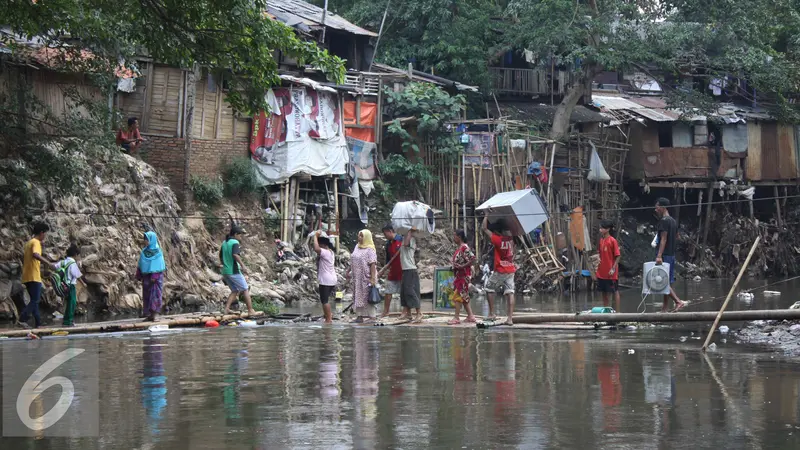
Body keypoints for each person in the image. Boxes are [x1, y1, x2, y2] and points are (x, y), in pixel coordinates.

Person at [482, 215, 516, 325]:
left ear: (499, 231)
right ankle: (510, 319)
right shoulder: (511, 239)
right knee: (510, 292)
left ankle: (492, 313)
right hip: (511, 269)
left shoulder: (498, 240)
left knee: (489, 289)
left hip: (500, 270)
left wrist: (486, 215)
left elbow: (484, 229)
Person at [19, 222, 55, 328]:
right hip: (33, 276)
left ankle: (38, 324)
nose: (45, 236)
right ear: (41, 233)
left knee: (34, 300)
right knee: (35, 300)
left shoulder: (28, 243)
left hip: (27, 275)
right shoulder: (36, 242)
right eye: (45, 234)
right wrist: (48, 263)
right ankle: (22, 319)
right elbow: (35, 255)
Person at [655, 198, 687, 312]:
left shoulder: (664, 221)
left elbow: (663, 239)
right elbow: (677, 236)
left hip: (665, 255)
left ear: (663, 207)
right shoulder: (673, 221)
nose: (656, 209)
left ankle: (678, 301)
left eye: (657, 207)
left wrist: (659, 255)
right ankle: (664, 308)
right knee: (667, 281)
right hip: (671, 254)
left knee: (662, 281)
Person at [221, 224, 256, 316]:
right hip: (233, 271)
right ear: (236, 234)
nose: (240, 237)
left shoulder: (224, 243)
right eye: (240, 235)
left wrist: (224, 263)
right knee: (245, 289)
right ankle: (250, 310)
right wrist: (243, 266)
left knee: (235, 290)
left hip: (225, 271)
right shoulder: (234, 242)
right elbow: (235, 255)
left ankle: (227, 309)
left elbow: (220, 256)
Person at [346, 229, 378, 322]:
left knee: (369, 296)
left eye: (361, 236)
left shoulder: (370, 250)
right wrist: (348, 271)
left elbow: (373, 264)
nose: (359, 237)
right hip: (357, 277)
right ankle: (359, 316)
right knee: (358, 295)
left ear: (366, 237)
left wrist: (372, 278)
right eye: (359, 235)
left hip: (366, 276)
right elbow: (352, 259)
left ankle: (372, 316)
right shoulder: (357, 247)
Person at [136, 230, 166, 321]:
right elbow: (141, 263)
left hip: (155, 279)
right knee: (147, 295)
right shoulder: (144, 252)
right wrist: (139, 273)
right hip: (146, 278)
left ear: (152, 240)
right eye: (144, 239)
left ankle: (155, 314)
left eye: (147, 239)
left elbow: (159, 265)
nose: (145, 241)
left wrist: (155, 275)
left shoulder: (157, 252)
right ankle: (148, 313)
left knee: (155, 295)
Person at [449, 230, 477, 325]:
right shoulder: (460, 248)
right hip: (459, 276)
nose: (454, 238)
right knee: (464, 296)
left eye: (455, 236)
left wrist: (462, 266)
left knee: (457, 296)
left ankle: (456, 318)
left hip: (463, 276)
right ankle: (471, 316)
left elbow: (473, 259)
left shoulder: (464, 247)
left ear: (459, 237)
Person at [55, 243, 86, 327]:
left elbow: (54, 267)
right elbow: (77, 275)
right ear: (75, 255)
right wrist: (83, 283)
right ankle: (68, 321)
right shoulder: (72, 263)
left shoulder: (62, 262)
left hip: (62, 285)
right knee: (71, 303)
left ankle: (66, 320)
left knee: (68, 302)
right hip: (70, 286)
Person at [594, 220, 621, 310]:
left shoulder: (612, 241)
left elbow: (618, 256)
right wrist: (598, 258)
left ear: (608, 229)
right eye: (600, 228)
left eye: (602, 228)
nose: (600, 230)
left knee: (615, 291)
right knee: (604, 292)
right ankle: (606, 311)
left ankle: (618, 312)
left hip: (611, 272)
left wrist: (613, 268)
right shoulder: (601, 240)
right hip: (602, 271)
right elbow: (599, 253)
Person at [313, 231, 337, 324]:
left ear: (323, 245)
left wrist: (315, 236)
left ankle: (328, 319)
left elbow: (316, 248)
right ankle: (328, 316)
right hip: (331, 279)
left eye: (320, 244)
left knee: (324, 300)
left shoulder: (326, 252)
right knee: (325, 299)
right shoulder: (330, 252)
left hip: (326, 280)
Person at [400, 229, 423, 323]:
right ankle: (408, 313)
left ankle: (419, 313)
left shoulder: (411, 240)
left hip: (410, 269)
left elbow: (406, 244)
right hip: (405, 269)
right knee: (404, 291)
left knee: (410, 291)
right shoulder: (404, 238)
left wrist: (409, 230)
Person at [380, 224, 403, 317]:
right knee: (388, 292)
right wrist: (384, 271)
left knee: (404, 293)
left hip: (403, 271)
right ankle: (386, 311)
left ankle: (405, 312)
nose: (385, 236)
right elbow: (388, 260)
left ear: (390, 231)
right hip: (393, 272)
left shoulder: (402, 240)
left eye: (385, 233)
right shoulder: (388, 244)